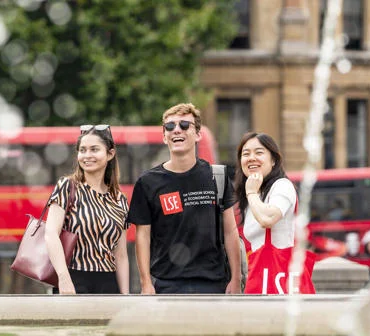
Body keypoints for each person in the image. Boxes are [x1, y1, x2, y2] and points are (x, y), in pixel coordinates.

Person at [128, 103, 241, 294]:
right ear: (164, 136)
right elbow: (143, 236)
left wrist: (236, 279)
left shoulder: (218, 177)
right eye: (170, 126)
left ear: (197, 134)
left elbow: (230, 232)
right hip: (167, 284)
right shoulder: (148, 183)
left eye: (184, 125)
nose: (176, 130)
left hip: (213, 283)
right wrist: (146, 283)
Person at [44, 125, 129, 294]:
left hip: (109, 282)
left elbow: (121, 254)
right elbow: (50, 233)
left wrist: (125, 295)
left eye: (94, 149)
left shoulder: (120, 200)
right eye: (82, 150)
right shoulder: (67, 187)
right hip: (73, 279)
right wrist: (63, 278)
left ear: (110, 154)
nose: (87, 155)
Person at [233, 132, 315, 294]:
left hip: (280, 281)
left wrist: (251, 193)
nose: (251, 158)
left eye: (259, 152)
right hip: (260, 276)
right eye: (245, 154)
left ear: (273, 160)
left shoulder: (282, 186)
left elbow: (268, 219)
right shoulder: (256, 194)